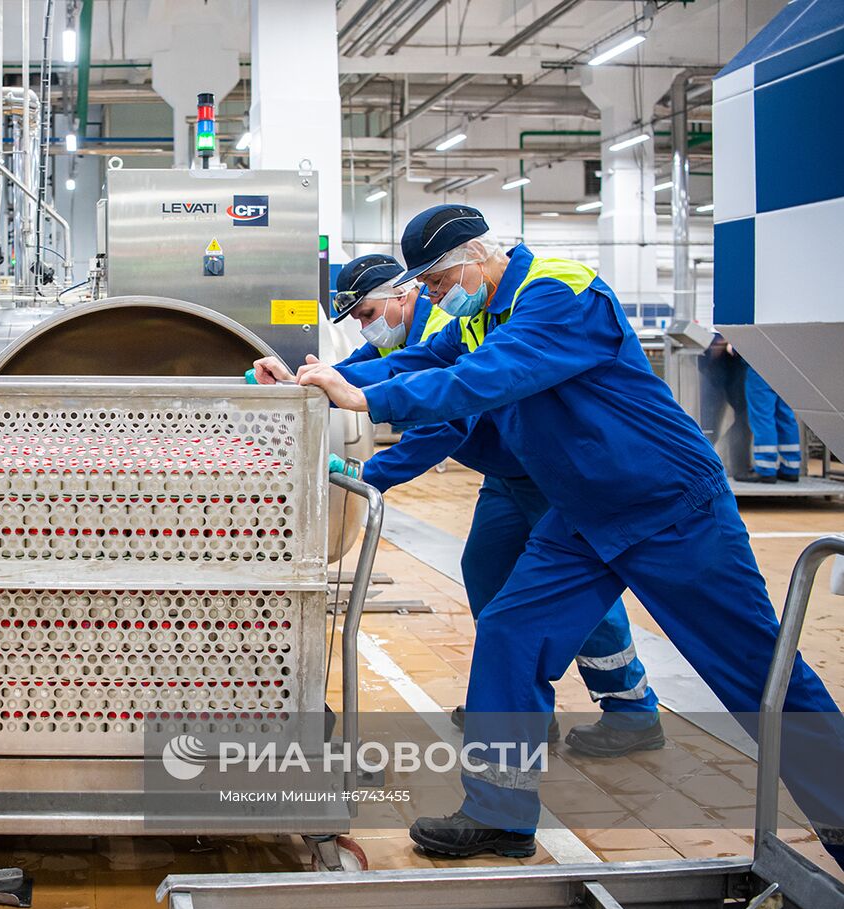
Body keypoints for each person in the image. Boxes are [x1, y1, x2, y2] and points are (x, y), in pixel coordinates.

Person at [295, 205, 844, 865]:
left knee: (752, 669)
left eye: (436, 284)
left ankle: (840, 813)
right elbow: (420, 359)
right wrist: (319, 385)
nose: (434, 299)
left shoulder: (559, 291)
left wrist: (370, 404)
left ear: (472, 258)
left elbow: (490, 377)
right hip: (582, 509)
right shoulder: (480, 309)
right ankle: (499, 813)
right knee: (512, 630)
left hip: (668, 503)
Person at [256, 254, 664, 757]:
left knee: (572, 588)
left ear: (401, 293)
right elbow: (365, 370)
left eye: (367, 314)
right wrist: (305, 384)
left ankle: (630, 706)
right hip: (509, 472)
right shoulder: (419, 330)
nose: (367, 328)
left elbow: (449, 425)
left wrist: (366, 475)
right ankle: (514, 702)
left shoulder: (453, 318)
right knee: (485, 568)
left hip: (548, 474)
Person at [735, 351, 802, 483]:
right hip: (788, 365)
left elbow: (749, 335)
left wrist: (735, 347)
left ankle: (765, 468)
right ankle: (791, 467)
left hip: (761, 362)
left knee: (762, 417)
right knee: (786, 416)